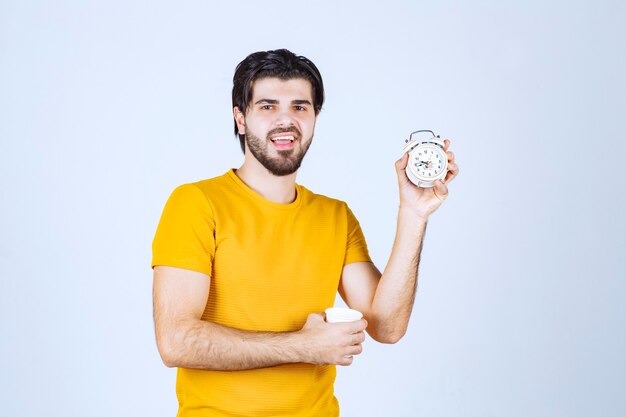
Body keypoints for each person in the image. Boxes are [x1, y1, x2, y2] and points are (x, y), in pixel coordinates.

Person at [151, 48, 459, 417]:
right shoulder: (196, 203)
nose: (286, 120)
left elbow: (387, 325)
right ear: (240, 118)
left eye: (300, 107)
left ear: (314, 118)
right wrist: (302, 346)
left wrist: (414, 213)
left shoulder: (336, 216)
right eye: (267, 106)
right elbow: (176, 341)